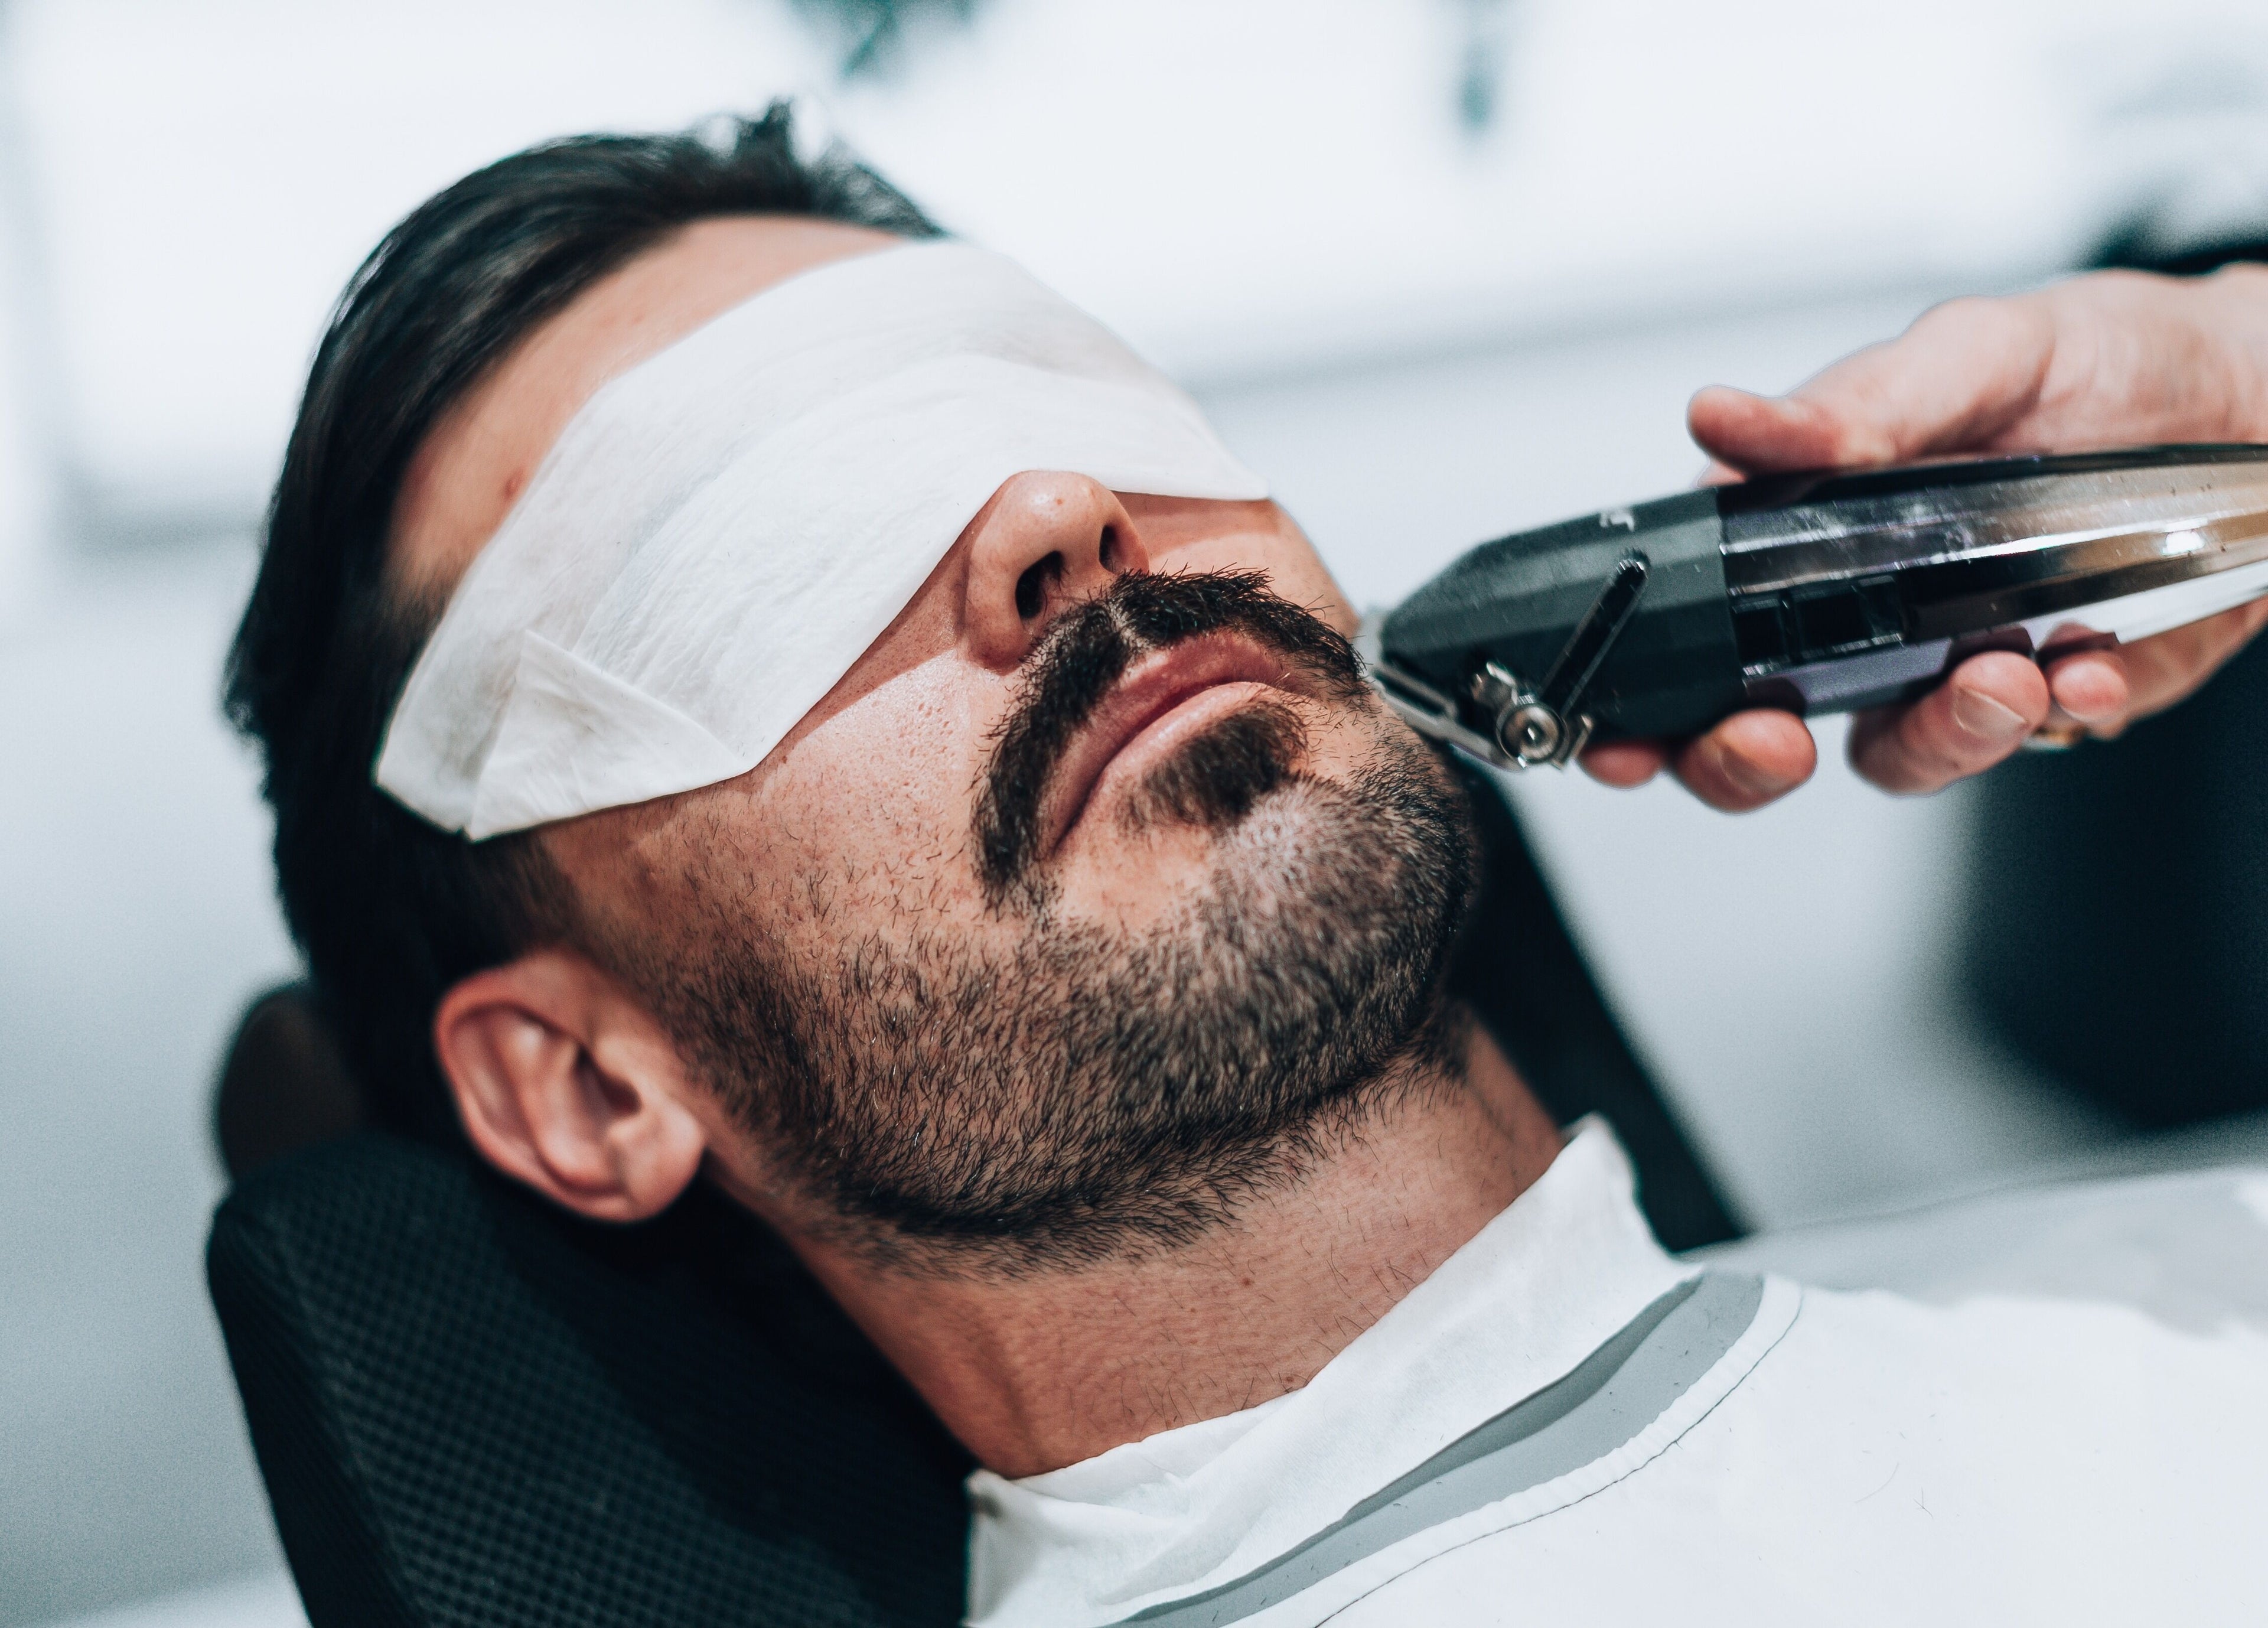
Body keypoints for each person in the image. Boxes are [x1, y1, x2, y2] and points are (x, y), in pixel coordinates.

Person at [227, 109, 2268, 1627]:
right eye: (750, 553)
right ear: (587, 1086)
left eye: (1034, 386)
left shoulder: (2178, 1325)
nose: (1059, 506)